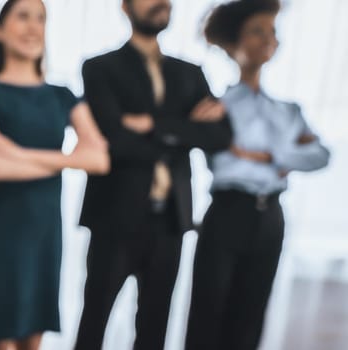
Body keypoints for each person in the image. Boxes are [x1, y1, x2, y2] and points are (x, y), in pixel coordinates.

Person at [75, 0, 235, 348]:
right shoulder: (100, 68)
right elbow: (113, 140)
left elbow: (220, 136)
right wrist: (184, 130)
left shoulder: (190, 73)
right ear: (126, 6)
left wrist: (150, 125)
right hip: (114, 218)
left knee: (154, 330)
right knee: (93, 325)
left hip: (170, 222)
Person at [0, 1, 111, 349]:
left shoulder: (62, 96)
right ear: (0, 30)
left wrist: (17, 152)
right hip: (2, 231)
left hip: (45, 230)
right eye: (23, 17)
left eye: (41, 18)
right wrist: (64, 158)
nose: (33, 27)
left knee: (34, 335)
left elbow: (98, 158)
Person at [186, 1, 331, 348]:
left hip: (270, 218)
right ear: (234, 41)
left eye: (272, 33)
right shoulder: (217, 106)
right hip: (227, 212)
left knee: (250, 315)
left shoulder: (287, 110)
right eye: (257, 31)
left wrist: (267, 154)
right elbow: (218, 154)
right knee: (209, 312)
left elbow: (321, 155)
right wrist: (286, 155)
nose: (268, 39)